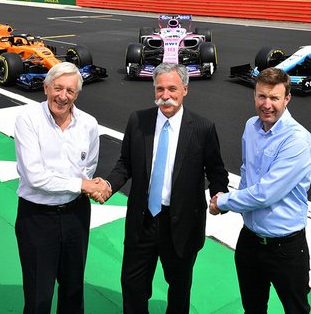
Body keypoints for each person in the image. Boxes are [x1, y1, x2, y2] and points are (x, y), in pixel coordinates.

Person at [96, 63, 229, 314]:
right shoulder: (138, 121)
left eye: (172, 89)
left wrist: (218, 194)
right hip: (142, 222)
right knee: (133, 287)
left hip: (182, 226)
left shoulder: (202, 128)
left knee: (179, 292)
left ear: (185, 90)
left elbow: (217, 172)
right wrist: (110, 184)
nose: (165, 96)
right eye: (159, 89)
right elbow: (125, 163)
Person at [210, 67, 311, 314]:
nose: (267, 104)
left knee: (296, 310)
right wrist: (235, 200)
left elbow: (266, 193)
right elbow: (248, 172)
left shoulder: (298, 140)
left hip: (286, 248)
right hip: (250, 240)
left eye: (274, 98)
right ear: (254, 95)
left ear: (287, 99)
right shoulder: (250, 127)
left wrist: (223, 202)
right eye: (261, 96)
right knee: (253, 309)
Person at [13, 62, 104, 314]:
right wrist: (83, 185)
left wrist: (88, 184)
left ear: (77, 94)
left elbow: (89, 166)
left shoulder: (89, 124)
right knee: (38, 295)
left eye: (70, 91)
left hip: (76, 214)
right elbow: (35, 177)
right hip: (38, 218)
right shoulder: (27, 120)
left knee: (74, 290)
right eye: (58, 88)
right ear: (45, 88)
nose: (63, 96)